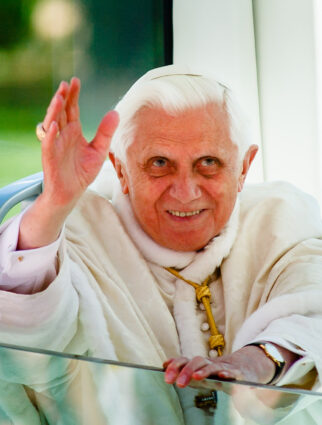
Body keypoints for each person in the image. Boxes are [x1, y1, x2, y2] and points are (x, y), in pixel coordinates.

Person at [0, 64, 322, 424]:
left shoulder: (281, 220)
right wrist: (54, 206)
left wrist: (257, 362)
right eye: (159, 163)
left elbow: (314, 308)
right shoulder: (75, 234)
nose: (185, 191)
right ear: (121, 170)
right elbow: (28, 338)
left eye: (209, 163)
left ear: (244, 168)